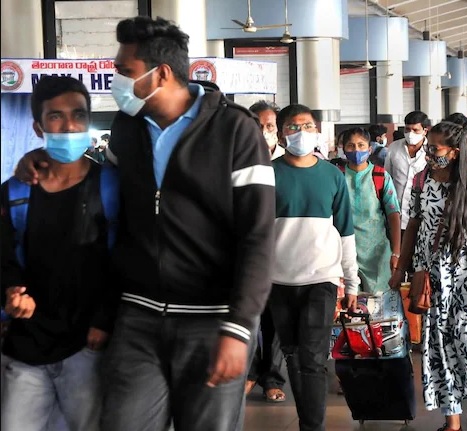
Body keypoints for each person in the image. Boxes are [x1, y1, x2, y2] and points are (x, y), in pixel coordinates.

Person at [12, 17, 277, 430]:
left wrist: (239, 327)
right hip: (138, 317)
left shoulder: (235, 132)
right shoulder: (127, 128)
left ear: (162, 74)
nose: (116, 79)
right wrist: (39, 160)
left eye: (125, 70)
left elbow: (257, 237)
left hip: (211, 320)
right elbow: (95, 184)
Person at [0, 76, 115, 431]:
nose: (69, 126)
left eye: (79, 115)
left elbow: (124, 258)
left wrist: (104, 320)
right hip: (26, 344)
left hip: (89, 344)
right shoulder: (15, 192)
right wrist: (11, 291)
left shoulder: (111, 186)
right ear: (38, 128)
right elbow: (4, 256)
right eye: (56, 116)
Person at [389, 121, 467, 431]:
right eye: (428, 147)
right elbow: (413, 225)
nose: (429, 153)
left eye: (435, 148)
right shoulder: (421, 181)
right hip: (433, 276)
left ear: (455, 152)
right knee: (439, 348)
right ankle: (452, 422)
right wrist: (401, 268)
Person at [271, 104, 359, 431]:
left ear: (318, 131)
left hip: (321, 278)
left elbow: (346, 232)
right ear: (282, 135)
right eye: (293, 127)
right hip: (278, 280)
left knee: (312, 357)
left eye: (308, 126)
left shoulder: (332, 176)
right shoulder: (267, 174)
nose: (302, 133)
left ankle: (312, 427)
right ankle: (308, 419)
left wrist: (352, 282)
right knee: (293, 354)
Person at [242, 101, 286, 402]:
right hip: (246, 251)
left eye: (269, 125)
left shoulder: (289, 162)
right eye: (258, 125)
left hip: (281, 253)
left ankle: (273, 377)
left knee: (275, 321)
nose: (264, 131)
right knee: (247, 316)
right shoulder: (237, 158)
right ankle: (249, 372)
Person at [338, 127, 401, 293]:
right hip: (345, 250)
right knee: (349, 299)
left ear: (370, 149)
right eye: (351, 146)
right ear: (344, 149)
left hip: (377, 252)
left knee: (379, 300)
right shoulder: (338, 177)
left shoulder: (380, 176)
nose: (356, 150)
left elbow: (393, 215)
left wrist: (396, 252)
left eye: (361, 145)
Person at [385, 111, 430, 236]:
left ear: (425, 131)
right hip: (395, 212)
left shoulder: (431, 150)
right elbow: (387, 177)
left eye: (415, 130)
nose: (410, 134)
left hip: (421, 214)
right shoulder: (394, 148)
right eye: (407, 129)